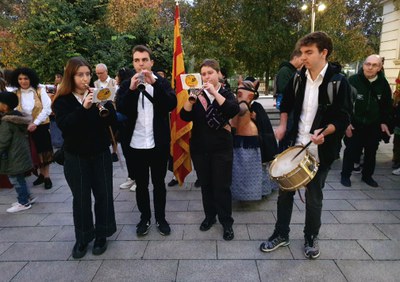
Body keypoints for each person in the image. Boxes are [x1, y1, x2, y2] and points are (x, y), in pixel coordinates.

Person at [259, 32, 353, 259]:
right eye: (301, 53)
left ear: (324, 53)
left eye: (309, 52)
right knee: (285, 193)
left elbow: (344, 117)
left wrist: (326, 131)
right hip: (295, 144)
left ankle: (310, 237)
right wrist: (282, 126)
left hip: (320, 148)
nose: (303, 57)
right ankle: (281, 234)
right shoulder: (298, 77)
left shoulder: (338, 82)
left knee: (313, 196)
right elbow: (286, 102)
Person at [52, 57, 117, 259]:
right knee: (80, 199)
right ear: (71, 76)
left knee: (104, 194)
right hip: (76, 156)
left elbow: (113, 122)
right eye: (80, 74)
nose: (85, 78)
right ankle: (82, 238)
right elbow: (66, 125)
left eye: (88, 74)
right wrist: (84, 108)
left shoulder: (97, 94)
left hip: (100, 154)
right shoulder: (62, 100)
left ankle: (102, 234)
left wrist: (107, 105)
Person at [117, 45, 177, 237]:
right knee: (141, 185)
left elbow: (171, 104)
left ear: (151, 62)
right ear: (133, 62)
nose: (141, 63)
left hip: (157, 143)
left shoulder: (162, 82)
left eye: (144, 60)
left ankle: (161, 218)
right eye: (137, 60)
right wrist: (133, 89)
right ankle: (144, 218)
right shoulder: (127, 84)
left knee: (159, 184)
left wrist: (155, 84)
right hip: (135, 144)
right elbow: (122, 109)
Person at [180, 59, 240, 241]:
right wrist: (191, 99)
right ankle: (209, 217)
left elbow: (232, 110)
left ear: (219, 74)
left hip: (222, 148)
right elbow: (184, 116)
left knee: (222, 187)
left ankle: (226, 222)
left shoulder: (226, 93)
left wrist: (214, 91)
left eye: (210, 73)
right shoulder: (197, 93)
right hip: (200, 148)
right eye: (203, 74)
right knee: (206, 185)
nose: (206, 76)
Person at [340, 54, 393, 188]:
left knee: (371, 152)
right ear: (363, 65)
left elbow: (386, 106)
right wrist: (347, 122)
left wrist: (384, 122)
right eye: (367, 64)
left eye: (374, 65)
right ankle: (345, 175)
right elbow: (343, 103)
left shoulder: (383, 84)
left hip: (373, 125)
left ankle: (367, 176)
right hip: (355, 124)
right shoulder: (352, 80)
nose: (370, 67)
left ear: (379, 68)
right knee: (351, 150)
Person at [230, 79, 278, 201]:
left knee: (258, 170)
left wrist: (257, 118)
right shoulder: (233, 105)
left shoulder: (257, 107)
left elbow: (265, 125)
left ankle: (261, 190)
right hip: (237, 142)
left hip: (255, 142)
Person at [10, 68, 53, 189]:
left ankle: (47, 176)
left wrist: (36, 123)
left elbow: (47, 108)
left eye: (26, 78)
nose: (23, 81)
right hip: (24, 127)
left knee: (44, 151)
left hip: (41, 125)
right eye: (20, 79)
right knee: (33, 152)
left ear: (31, 79)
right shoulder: (15, 93)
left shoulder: (39, 90)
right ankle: (40, 174)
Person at [0, 91, 36, 213]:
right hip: (20, 152)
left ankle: (23, 202)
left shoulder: (7, 121)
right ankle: (27, 197)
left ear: (5, 106)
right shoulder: (18, 117)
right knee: (20, 177)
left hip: (13, 155)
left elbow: (3, 141)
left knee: (15, 179)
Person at [114, 67, 137, 191]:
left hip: (129, 125)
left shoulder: (127, 86)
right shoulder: (121, 87)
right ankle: (131, 176)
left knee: (132, 154)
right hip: (123, 126)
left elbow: (124, 106)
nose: (116, 78)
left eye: (117, 75)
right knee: (127, 153)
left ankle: (137, 178)